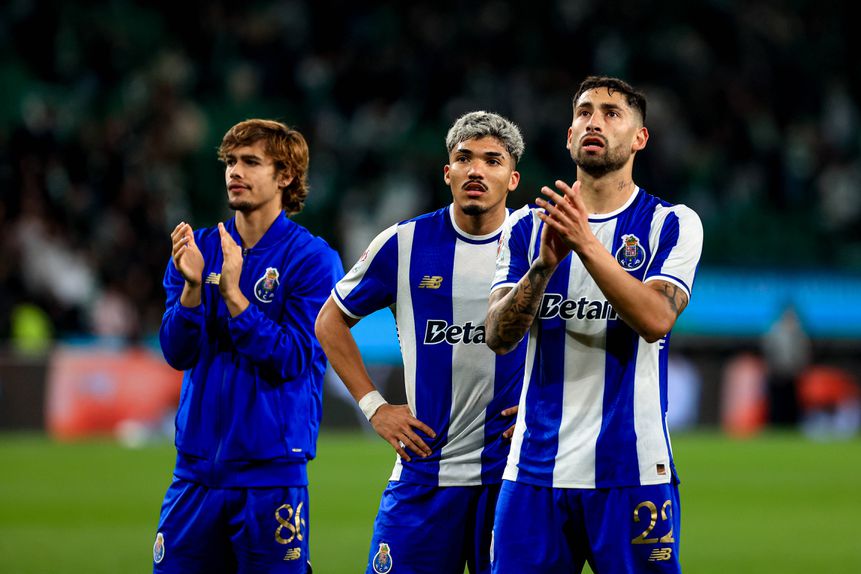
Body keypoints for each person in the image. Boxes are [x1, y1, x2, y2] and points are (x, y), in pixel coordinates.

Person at [486, 76, 703, 573]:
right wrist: (541, 269)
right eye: (584, 112)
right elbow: (499, 336)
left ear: (639, 138)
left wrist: (585, 244)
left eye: (611, 113)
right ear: (569, 135)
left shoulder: (671, 223)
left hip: (632, 470)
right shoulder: (524, 227)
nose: (594, 122)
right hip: (535, 472)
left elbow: (655, 319)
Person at [315, 111, 529, 574]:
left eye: (492, 161)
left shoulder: (538, 241)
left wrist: (549, 405)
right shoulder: (404, 243)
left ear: (512, 178)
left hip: (513, 475)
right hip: (425, 469)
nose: (476, 170)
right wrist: (375, 406)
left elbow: (580, 329)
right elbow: (329, 321)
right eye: (464, 158)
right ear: (446, 172)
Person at [153, 119, 342, 574]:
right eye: (231, 162)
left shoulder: (313, 260)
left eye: (250, 162)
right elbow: (177, 353)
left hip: (271, 479)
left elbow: (295, 357)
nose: (235, 172)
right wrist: (193, 290)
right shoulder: (197, 249)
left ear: (285, 176)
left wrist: (237, 300)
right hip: (195, 475)